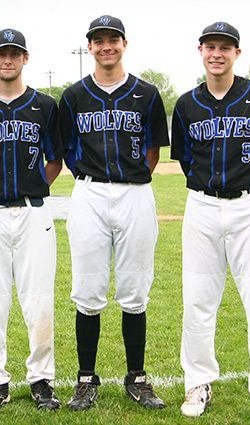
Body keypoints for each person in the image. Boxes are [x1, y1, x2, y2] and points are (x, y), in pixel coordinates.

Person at [171, 22, 250, 424]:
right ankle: (198, 381)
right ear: (201, 51)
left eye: (226, 47)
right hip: (202, 207)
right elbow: (185, 159)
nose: (218, 53)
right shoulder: (188, 104)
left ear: (237, 53)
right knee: (197, 302)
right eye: (211, 47)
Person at [57, 15, 168, 411]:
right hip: (88, 193)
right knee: (87, 290)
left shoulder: (147, 93)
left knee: (135, 290)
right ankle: (86, 378)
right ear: (90, 47)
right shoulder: (73, 96)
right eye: (98, 40)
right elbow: (67, 148)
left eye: (112, 39)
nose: (106, 46)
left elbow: (153, 150)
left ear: (124, 43)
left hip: (136, 193)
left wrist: (129, 179)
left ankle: (136, 377)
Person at [0, 28, 64, 413]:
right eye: (1, 53)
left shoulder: (44, 106)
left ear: (25, 58)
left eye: (15, 53)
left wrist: (32, 187)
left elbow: (54, 159)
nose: (8, 60)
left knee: (38, 300)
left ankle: (41, 380)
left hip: (33, 210)